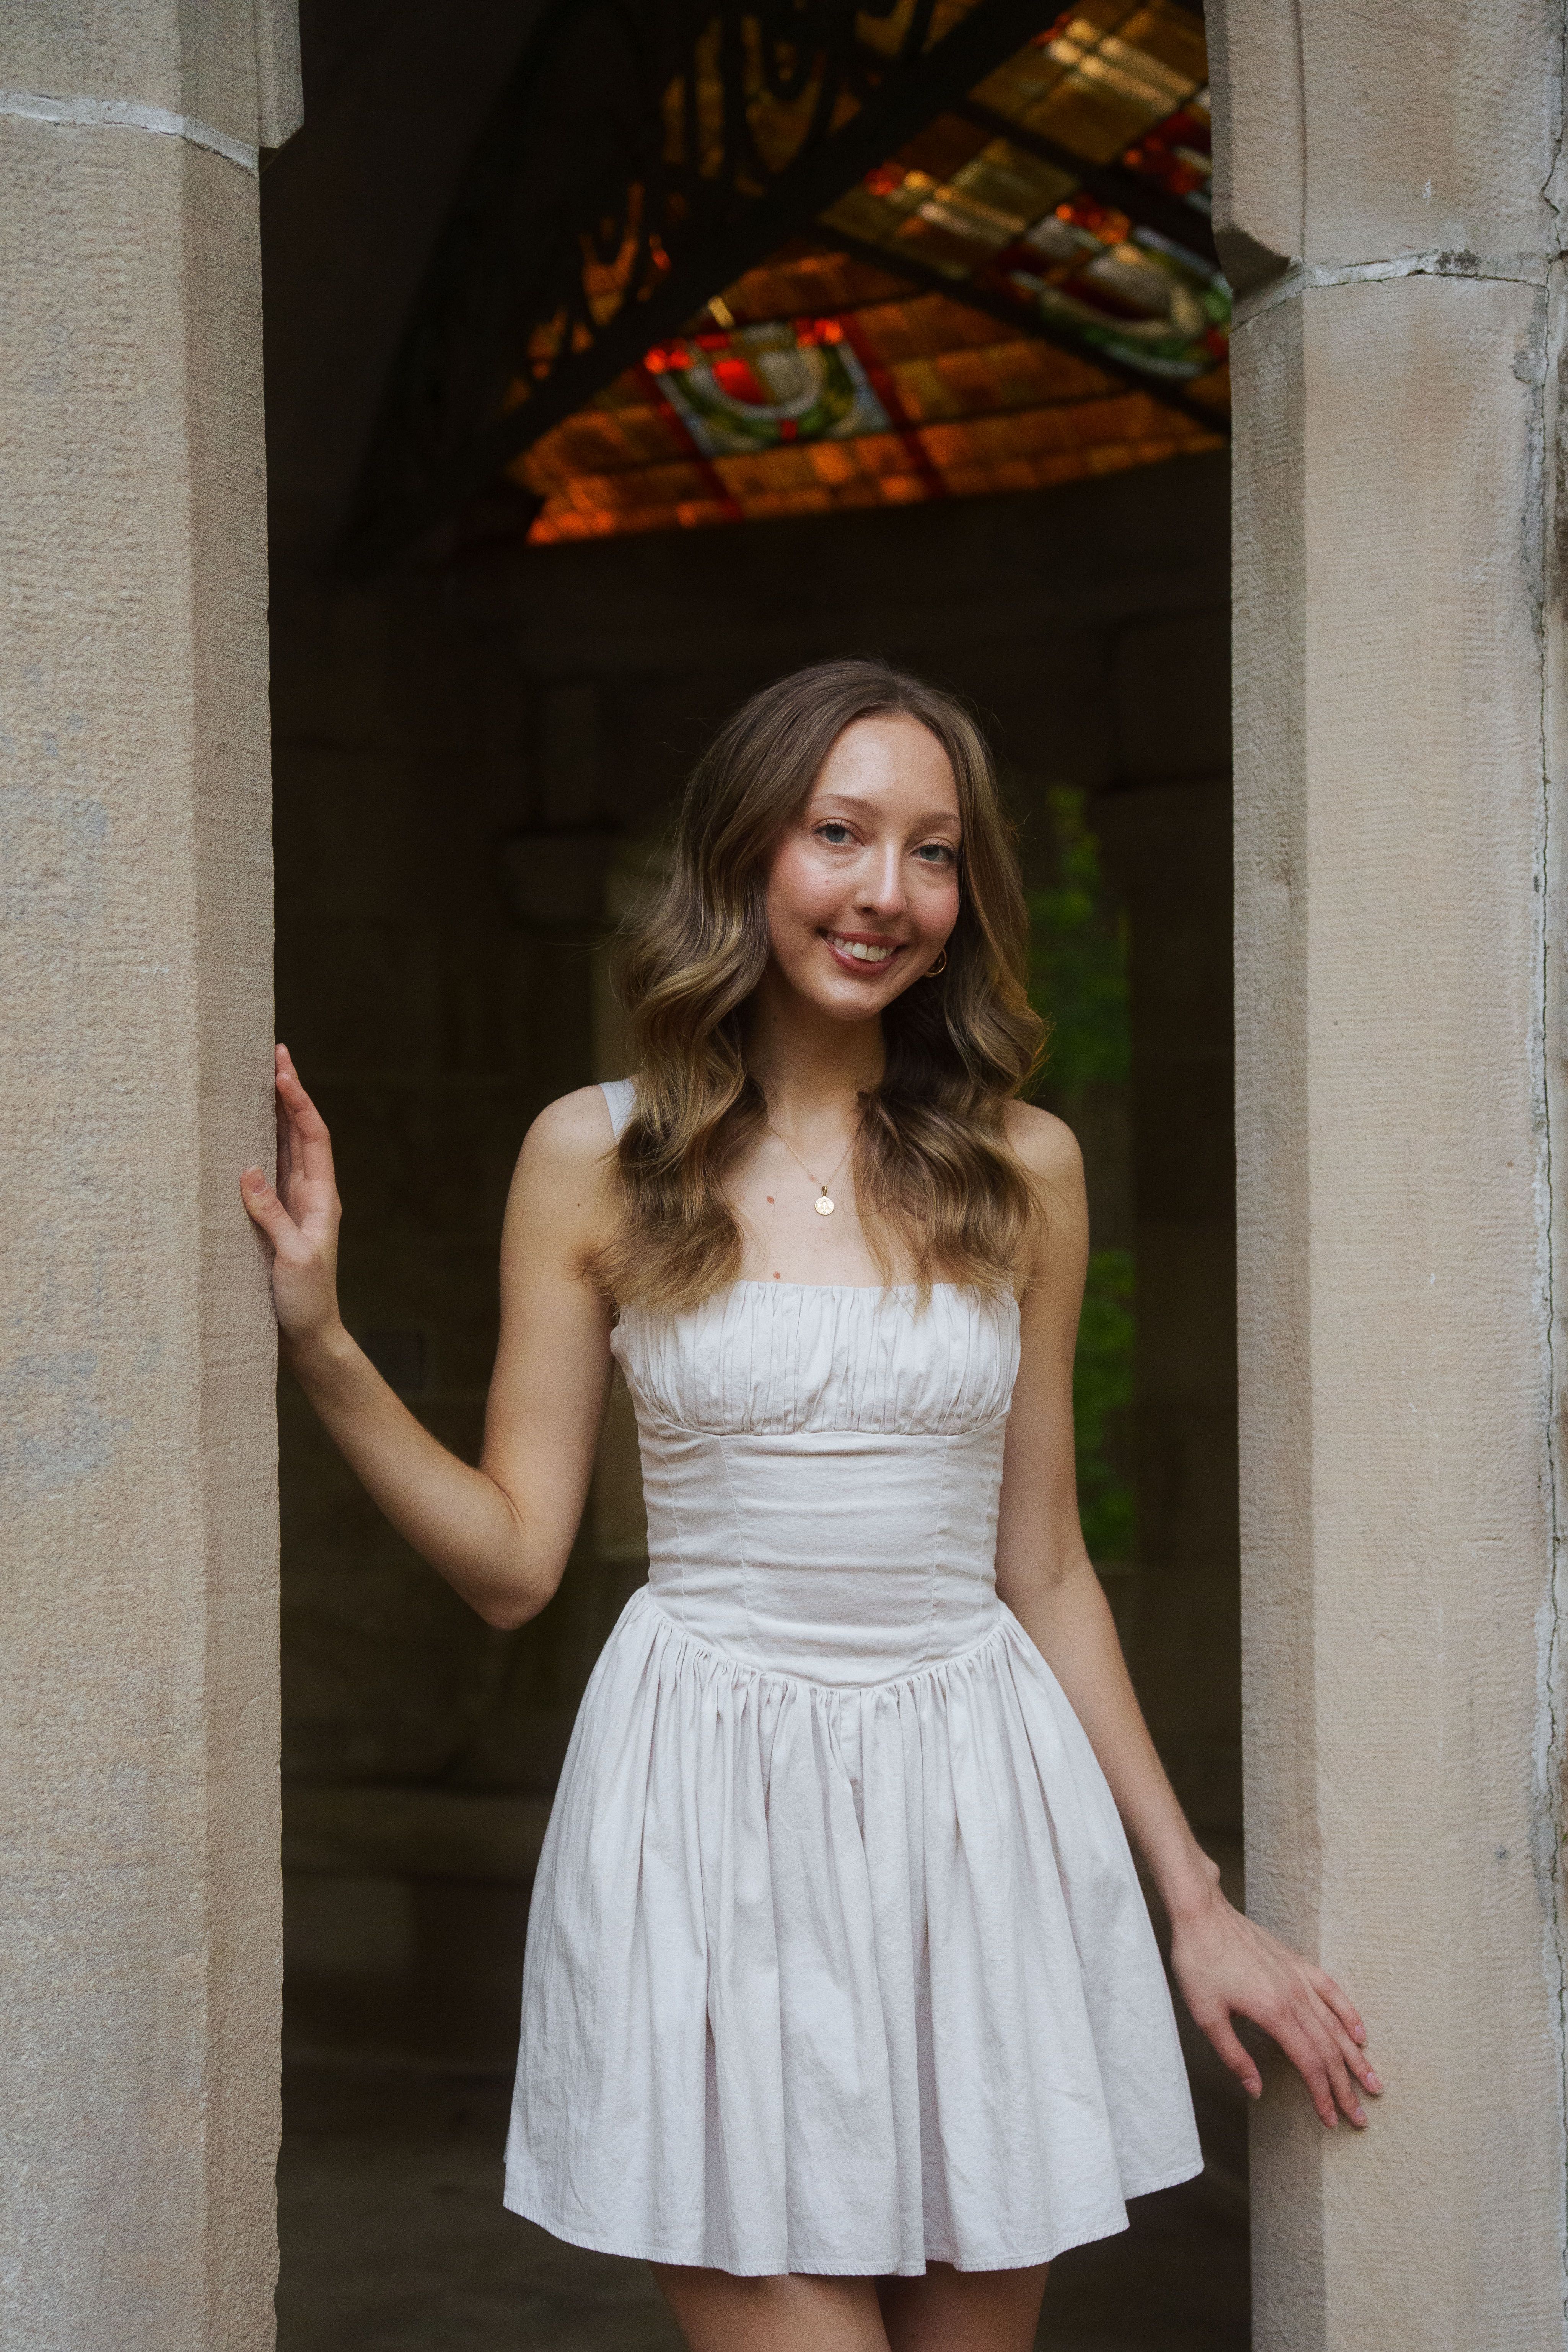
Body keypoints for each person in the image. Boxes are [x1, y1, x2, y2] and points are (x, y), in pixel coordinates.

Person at [242, 658, 1381, 2352]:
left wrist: (1193, 1899)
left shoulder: (1025, 1166)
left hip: (975, 1817)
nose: (885, 893)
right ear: (744, 854)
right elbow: (509, 1562)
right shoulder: (592, 1152)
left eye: (932, 851)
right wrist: (324, 1342)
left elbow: (1044, 1560)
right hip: (711, 1813)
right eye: (838, 833)